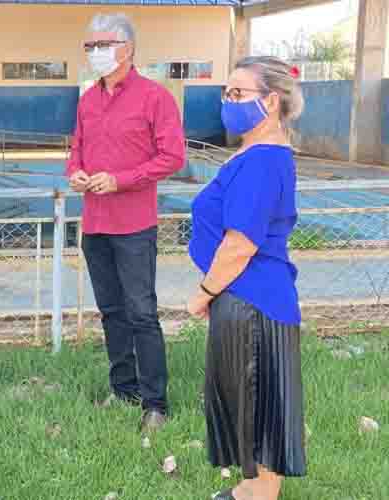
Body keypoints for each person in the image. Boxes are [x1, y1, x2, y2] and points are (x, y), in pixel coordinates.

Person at [187, 56, 306, 500]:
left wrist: (202, 294)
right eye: (227, 93)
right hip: (246, 297)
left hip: (253, 299)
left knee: (259, 400)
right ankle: (253, 487)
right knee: (255, 399)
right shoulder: (257, 154)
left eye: (238, 94)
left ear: (271, 101)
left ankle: (259, 493)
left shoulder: (261, 161)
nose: (228, 102)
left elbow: (241, 243)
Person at [66, 13, 185, 432]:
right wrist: (76, 172)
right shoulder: (87, 100)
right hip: (94, 225)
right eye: (90, 46)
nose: (95, 53)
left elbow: (173, 157)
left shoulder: (155, 98)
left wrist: (121, 180)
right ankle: (123, 390)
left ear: (128, 49)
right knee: (111, 312)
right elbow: (75, 151)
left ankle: (155, 403)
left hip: (134, 226)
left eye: (103, 45)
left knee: (141, 314)